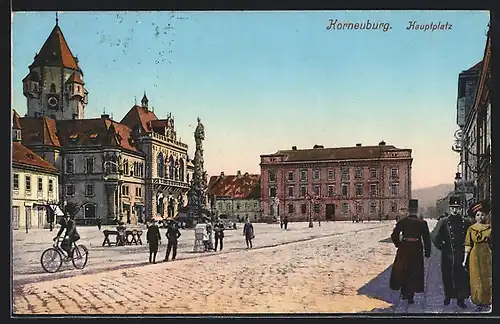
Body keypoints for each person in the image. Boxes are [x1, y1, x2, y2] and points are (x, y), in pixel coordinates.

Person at [431, 196, 472, 308]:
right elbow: (434, 236)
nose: (455, 210)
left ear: (460, 208)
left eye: (457, 207)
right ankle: (448, 296)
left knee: (461, 276)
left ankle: (461, 299)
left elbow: (470, 236)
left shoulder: (466, 222)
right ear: (449, 208)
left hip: (461, 253)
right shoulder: (443, 222)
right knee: (448, 275)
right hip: (448, 253)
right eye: (453, 207)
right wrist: (441, 246)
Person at [389, 199, 432, 304]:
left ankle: (404, 293)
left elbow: (394, 236)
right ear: (416, 210)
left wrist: (399, 244)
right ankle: (411, 296)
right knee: (414, 271)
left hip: (404, 248)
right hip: (417, 248)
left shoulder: (402, 222)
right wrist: (427, 252)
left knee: (404, 270)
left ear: (408, 210)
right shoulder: (423, 223)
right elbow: (427, 239)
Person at [463, 201, 492, 312]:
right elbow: (467, 244)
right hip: (474, 254)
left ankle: (486, 301)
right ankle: (477, 302)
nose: (480, 217)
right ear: (474, 217)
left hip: (486, 254)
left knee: (486, 277)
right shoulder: (471, 229)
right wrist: (465, 260)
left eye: (482, 214)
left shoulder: (489, 228)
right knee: (475, 277)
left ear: (485, 216)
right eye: (478, 215)